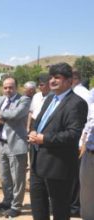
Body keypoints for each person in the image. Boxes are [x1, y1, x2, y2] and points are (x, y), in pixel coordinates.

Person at [28, 62, 88, 220]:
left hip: (58, 166)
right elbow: (38, 121)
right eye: (51, 77)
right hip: (37, 162)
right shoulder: (49, 99)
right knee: (38, 206)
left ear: (69, 81)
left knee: (60, 210)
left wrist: (44, 138)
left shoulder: (77, 103)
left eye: (57, 77)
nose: (52, 80)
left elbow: (73, 134)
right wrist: (33, 130)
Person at [0, 76, 31, 218]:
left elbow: (15, 114)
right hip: (2, 144)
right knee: (4, 177)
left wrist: (0, 113)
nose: (8, 90)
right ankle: (7, 201)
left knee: (18, 178)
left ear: (16, 87)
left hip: (16, 144)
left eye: (11, 87)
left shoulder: (24, 100)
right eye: (5, 87)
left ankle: (16, 206)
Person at [69, 69, 90, 217]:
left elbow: (86, 121)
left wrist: (81, 142)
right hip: (82, 140)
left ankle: (75, 206)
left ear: (74, 79)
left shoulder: (80, 93)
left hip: (81, 142)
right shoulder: (85, 92)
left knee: (77, 176)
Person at [79, 88, 94, 219]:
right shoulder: (92, 94)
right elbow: (88, 123)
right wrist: (82, 143)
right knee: (86, 194)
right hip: (89, 153)